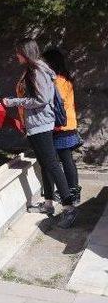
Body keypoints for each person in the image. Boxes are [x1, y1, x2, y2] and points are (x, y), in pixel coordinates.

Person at [3, 39, 78, 228]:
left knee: (52, 165)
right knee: (45, 164)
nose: (16, 56)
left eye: (18, 52)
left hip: (41, 124)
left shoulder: (37, 70)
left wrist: (14, 102)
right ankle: (48, 203)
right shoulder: (32, 70)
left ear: (26, 52)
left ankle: (69, 208)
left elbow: (42, 99)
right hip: (35, 124)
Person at [43, 48, 82, 205]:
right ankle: (72, 191)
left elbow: (55, 104)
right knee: (67, 160)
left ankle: (72, 193)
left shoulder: (57, 81)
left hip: (61, 126)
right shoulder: (65, 78)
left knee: (65, 160)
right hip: (68, 124)